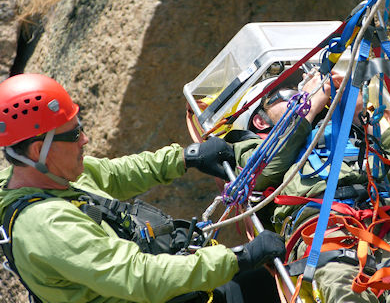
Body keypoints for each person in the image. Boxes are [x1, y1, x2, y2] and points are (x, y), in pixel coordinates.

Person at [0, 73, 285, 303]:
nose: (85, 139)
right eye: (74, 133)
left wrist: (186, 158)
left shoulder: (51, 177)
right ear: (38, 150)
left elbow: (115, 173)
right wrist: (239, 257)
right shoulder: (48, 227)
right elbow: (138, 276)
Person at [232, 70, 390, 303]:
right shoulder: (252, 149)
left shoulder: (346, 127)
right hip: (322, 224)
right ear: (260, 120)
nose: (300, 93)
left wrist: (359, 116)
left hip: (388, 211)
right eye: (287, 94)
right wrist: (309, 106)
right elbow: (263, 174)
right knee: (344, 292)